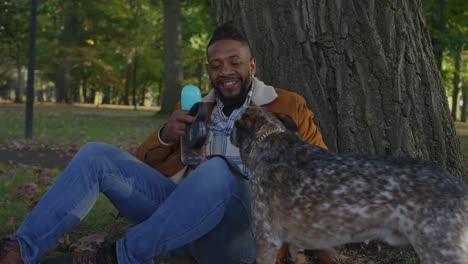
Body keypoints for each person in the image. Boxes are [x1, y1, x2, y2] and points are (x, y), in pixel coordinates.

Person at [0, 22, 352, 264]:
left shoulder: (286, 105)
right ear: (209, 70)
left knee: (218, 170)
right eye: (215, 65)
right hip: (182, 226)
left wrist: (324, 250)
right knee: (96, 155)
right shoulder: (198, 108)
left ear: (252, 65)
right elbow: (136, 170)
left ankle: (123, 256)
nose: (225, 71)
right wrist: (167, 134)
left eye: (234, 62)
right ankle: (21, 250)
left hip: (242, 238)